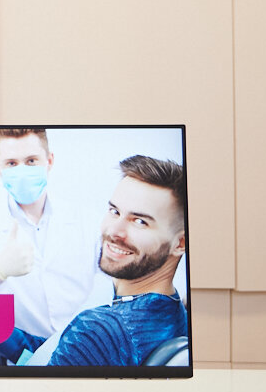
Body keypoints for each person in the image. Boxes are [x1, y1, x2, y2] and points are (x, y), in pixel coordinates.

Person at [31, 155, 189, 367]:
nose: (114, 231)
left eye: (140, 221)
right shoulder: (173, 309)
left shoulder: (98, 330)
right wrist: (4, 337)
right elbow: (65, 351)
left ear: (180, 243)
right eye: (115, 212)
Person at [0, 128, 107, 364]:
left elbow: (114, 284)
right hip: (22, 359)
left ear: (49, 161)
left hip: (84, 356)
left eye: (31, 161)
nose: (22, 170)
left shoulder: (88, 221)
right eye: (11, 163)